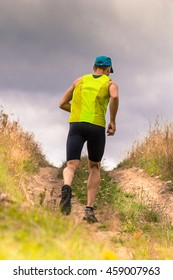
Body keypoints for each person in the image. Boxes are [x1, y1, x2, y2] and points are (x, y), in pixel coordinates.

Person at [59, 55, 119, 223]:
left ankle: (66, 186)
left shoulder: (79, 81)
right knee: (94, 166)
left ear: (93, 67)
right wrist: (113, 121)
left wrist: (78, 112)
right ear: (108, 70)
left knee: (71, 165)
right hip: (96, 126)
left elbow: (62, 103)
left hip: (76, 125)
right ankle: (89, 209)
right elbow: (114, 96)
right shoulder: (109, 83)